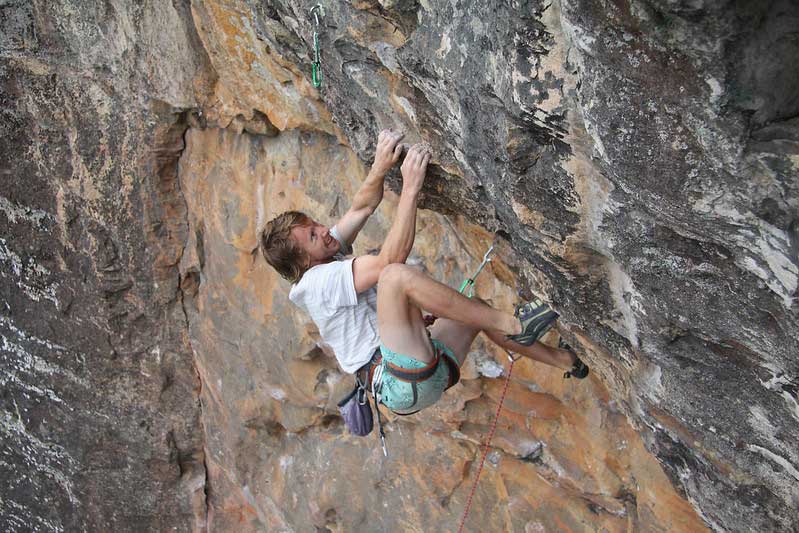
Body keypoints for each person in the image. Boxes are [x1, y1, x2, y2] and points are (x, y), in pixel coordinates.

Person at [260, 129, 588, 415]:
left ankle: (565, 361)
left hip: (419, 371)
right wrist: (411, 186)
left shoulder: (327, 254)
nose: (323, 230)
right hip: (398, 379)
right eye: (313, 236)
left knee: (473, 312)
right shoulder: (317, 283)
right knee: (393, 276)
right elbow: (391, 259)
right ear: (303, 263)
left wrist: (380, 166)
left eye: (314, 224)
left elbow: (361, 207)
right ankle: (516, 324)